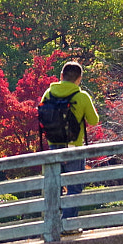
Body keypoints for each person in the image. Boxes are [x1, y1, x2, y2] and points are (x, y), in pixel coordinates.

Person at [42, 61, 100, 221]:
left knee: (54, 188)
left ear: (61, 76)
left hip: (54, 147)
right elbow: (94, 120)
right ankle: (68, 224)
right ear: (79, 79)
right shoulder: (81, 96)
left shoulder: (48, 93)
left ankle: (53, 225)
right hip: (74, 148)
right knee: (74, 188)